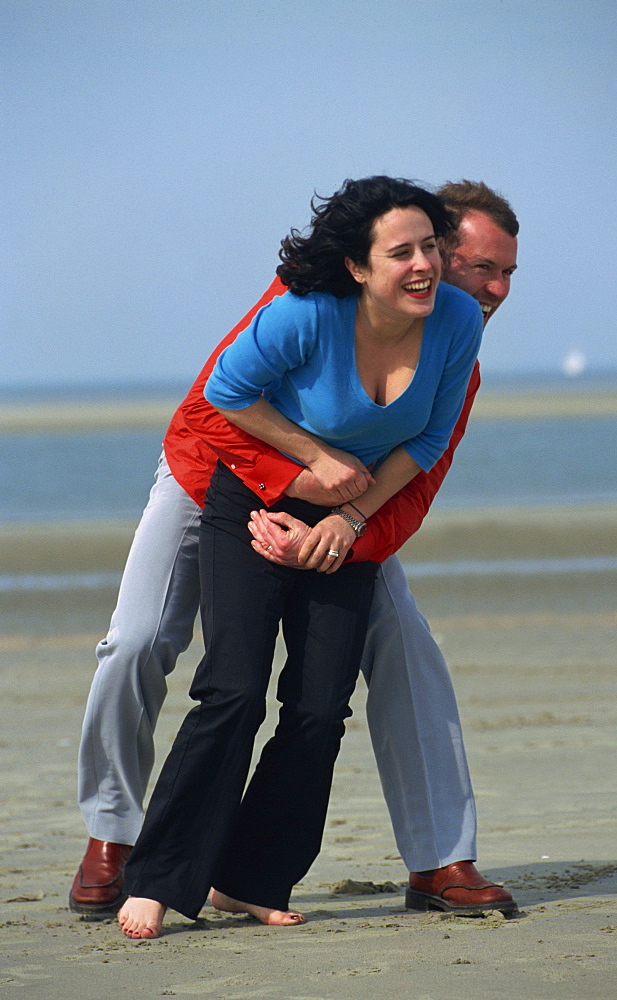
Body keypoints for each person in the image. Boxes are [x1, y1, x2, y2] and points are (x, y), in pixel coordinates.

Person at [70, 180, 519, 923]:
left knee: (402, 654)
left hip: (342, 510)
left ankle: (441, 859)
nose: (492, 288)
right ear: (376, 260)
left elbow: (419, 474)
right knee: (138, 641)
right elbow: (214, 411)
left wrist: (336, 528)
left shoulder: (454, 345)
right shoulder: (309, 298)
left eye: (505, 273)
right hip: (212, 474)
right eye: (478, 267)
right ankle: (113, 835)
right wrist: (297, 485)